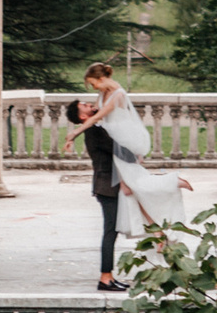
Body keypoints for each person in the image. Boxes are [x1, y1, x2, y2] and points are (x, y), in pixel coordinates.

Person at [61, 61, 195, 292]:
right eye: (83, 105)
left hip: (111, 182)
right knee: (110, 233)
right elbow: (118, 150)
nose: (88, 101)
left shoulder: (98, 123)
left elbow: (105, 105)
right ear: (82, 117)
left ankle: (159, 235)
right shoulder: (94, 131)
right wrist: (134, 154)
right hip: (107, 187)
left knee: (140, 203)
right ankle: (106, 278)